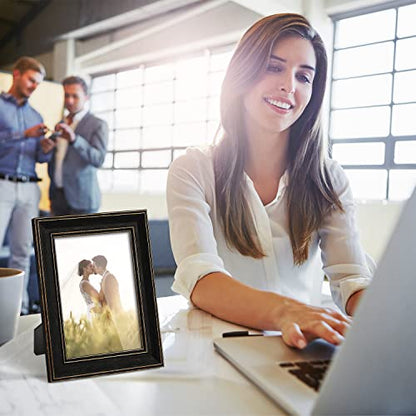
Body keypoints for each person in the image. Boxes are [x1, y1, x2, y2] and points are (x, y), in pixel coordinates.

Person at [167, 13, 374, 350]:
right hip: (219, 349)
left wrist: (390, 324)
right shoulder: (193, 169)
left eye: (304, 77)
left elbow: (350, 276)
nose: (289, 86)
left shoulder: (328, 178)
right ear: (242, 73)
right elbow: (200, 277)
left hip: (301, 348)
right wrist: (285, 312)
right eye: (274, 67)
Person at [0, 56, 53, 314]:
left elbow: (40, 158)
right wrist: (24, 134)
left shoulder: (36, 115)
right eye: (32, 80)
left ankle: (16, 310)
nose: (34, 86)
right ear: (17, 74)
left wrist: (45, 148)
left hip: (30, 188)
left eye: (38, 83)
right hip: (2, 185)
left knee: (23, 252)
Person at [45, 76, 108, 215]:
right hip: (58, 198)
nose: (69, 100)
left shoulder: (98, 124)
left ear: (86, 97)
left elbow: (98, 159)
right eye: (66, 95)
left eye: (75, 96)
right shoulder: (60, 123)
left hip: (83, 200)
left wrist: (75, 140)